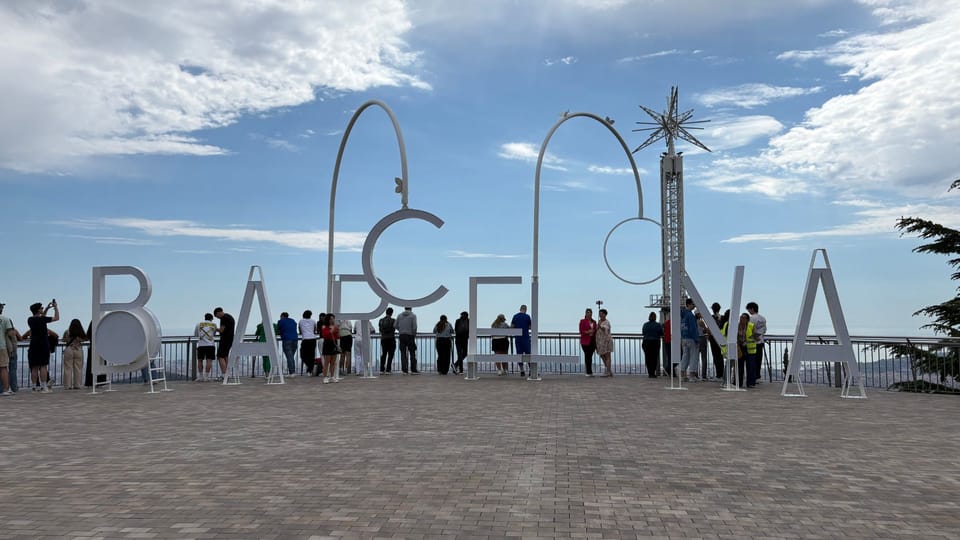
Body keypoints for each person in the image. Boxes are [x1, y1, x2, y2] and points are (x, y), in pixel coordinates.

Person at [27, 300, 58, 392]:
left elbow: (41, 317)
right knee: (43, 366)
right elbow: (57, 318)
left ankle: (33, 386)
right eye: (41, 308)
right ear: (38, 310)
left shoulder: (30, 319)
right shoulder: (42, 319)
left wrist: (48, 308)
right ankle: (44, 386)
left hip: (33, 345)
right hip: (43, 345)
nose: (42, 309)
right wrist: (56, 307)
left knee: (35, 366)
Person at [721, 313, 756, 388]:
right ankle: (738, 382)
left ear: (747, 319)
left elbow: (754, 336)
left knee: (750, 366)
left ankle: (750, 383)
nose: (742, 319)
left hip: (749, 348)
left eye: (744, 318)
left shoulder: (751, 326)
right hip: (739, 347)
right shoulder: (735, 325)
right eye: (741, 317)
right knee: (739, 366)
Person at [0, 302, 21, 395]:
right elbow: (11, 334)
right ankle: (6, 389)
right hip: (2, 346)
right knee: (3, 368)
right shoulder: (5, 319)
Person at [61, 319, 87, 390]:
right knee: (78, 368)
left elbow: (63, 339)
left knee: (67, 368)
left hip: (69, 349)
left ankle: (67, 385)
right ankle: (77, 385)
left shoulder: (67, 331)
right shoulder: (81, 332)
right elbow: (85, 339)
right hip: (78, 349)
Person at [679, 298, 701, 382]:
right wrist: (696, 339)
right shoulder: (690, 315)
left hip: (684, 338)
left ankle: (682, 374)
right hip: (691, 339)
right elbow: (693, 329)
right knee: (693, 357)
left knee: (685, 356)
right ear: (688, 304)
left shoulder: (683, 315)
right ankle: (692, 375)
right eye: (693, 304)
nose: (694, 306)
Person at [746, 301, 767, 385]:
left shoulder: (752, 318)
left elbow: (749, 330)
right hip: (761, 341)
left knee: (752, 361)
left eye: (749, 310)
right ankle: (758, 376)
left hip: (753, 342)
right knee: (759, 360)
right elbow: (764, 330)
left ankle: (753, 377)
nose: (748, 312)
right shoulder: (763, 318)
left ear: (752, 309)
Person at [213, 307, 235, 379]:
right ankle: (227, 374)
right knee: (225, 356)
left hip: (225, 339)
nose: (218, 318)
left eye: (217, 316)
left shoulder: (224, 318)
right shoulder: (229, 316)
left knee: (220, 356)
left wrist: (214, 328)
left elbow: (221, 330)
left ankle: (224, 375)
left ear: (218, 313)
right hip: (230, 339)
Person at [194, 313, 217, 381]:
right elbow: (214, 334)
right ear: (211, 318)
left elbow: (196, 334)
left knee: (200, 360)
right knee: (209, 361)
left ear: (205, 317)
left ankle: (200, 376)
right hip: (210, 345)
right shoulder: (214, 325)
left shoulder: (199, 324)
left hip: (201, 345)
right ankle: (206, 377)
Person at [511, 304, 531, 377]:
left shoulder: (515, 316)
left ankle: (522, 370)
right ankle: (531, 370)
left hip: (518, 338)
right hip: (525, 337)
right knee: (528, 354)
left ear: (520, 309)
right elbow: (530, 326)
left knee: (519, 354)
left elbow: (512, 326)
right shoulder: (527, 317)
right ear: (525, 309)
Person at [396, 306, 418, 374]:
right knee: (412, 353)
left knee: (403, 353)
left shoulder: (399, 315)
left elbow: (395, 325)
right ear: (411, 308)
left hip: (402, 335)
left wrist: (400, 330)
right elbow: (414, 327)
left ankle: (404, 370)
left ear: (404, 308)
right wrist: (413, 335)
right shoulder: (413, 316)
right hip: (410, 335)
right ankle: (413, 369)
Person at [277, 312, 299, 377]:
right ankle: (292, 372)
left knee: (289, 357)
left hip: (287, 339)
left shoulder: (281, 321)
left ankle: (292, 372)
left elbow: (278, 330)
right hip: (295, 339)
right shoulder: (293, 321)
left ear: (282, 316)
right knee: (291, 357)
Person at [641, 312, 662, 378]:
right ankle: (653, 373)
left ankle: (650, 372)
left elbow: (643, 333)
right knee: (654, 358)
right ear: (655, 317)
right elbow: (661, 333)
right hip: (655, 342)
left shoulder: (645, 324)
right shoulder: (658, 325)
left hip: (646, 342)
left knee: (648, 357)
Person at [320, 313, 340, 383]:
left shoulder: (335, 327)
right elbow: (325, 335)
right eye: (331, 319)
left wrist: (338, 331)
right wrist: (333, 329)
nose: (332, 320)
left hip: (334, 344)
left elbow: (338, 336)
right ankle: (325, 377)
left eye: (333, 318)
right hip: (327, 344)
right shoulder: (324, 327)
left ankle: (332, 376)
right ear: (328, 319)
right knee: (327, 362)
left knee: (333, 362)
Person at [708, 303, 725, 380]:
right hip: (721, 338)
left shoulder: (711, 318)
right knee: (720, 356)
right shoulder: (723, 318)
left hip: (713, 338)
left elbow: (709, 328)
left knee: (715, 356)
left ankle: (719, 374)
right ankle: (722, 374)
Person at [595, 308, 614, 377]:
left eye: (602, 313)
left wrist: (600, 326)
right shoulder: (599, 321)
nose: (600, 315)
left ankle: (608, 371)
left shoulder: (606, 322)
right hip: (600, 342)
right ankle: (609, 370)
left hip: (606, 341)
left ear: (605, 314)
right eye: (599, 313)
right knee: (602, 355)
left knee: (607, 356)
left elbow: (605, 329)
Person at [578, 308, 597, 377]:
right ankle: (588, 372)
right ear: (585, 313)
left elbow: (595, 331)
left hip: (592, 341)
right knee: (587, 355)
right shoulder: (582, 321)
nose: (589, 314)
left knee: (590, 356)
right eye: (588, 312)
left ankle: (589, 371)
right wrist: (588, 332)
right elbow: (581, 331)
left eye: (590, 312)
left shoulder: (594, 322)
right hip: (585, 341)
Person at [299, 310, 318, 376]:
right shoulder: (313, 321)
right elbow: (315, 330)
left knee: (302, 354)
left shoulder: (301, 321)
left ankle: (309, 367)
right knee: (311, 355)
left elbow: (300, 330)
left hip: (305, 339)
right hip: (313, 339)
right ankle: (310, 369)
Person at [379, 307, 397, 374]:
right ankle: (388, 369)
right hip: (391, 338)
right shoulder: (393, 320)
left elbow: (380, 330)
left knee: (384, 353)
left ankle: (381, 369)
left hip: (383, 339)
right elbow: (395, 328)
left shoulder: (381, 320)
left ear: (386, 312)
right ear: (391, 313)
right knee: (390, 354)